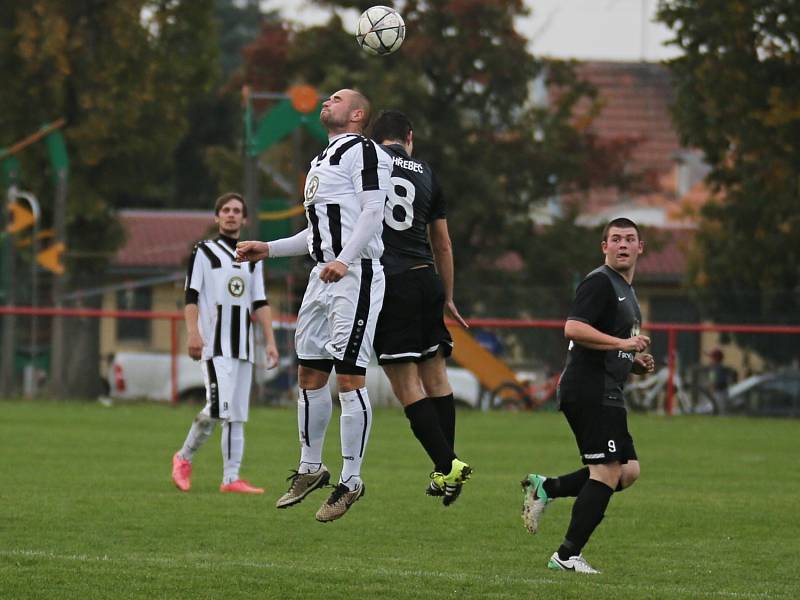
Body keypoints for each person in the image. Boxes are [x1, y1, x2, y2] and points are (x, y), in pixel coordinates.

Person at [236, 89, 392, 522]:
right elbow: (315, 234)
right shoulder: (321, 161)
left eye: (337, 98)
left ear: (358, 113)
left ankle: (352, 479)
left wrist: (345, 260)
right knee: (308, 371)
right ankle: (310, 467)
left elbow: (373, 211)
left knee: (349, 377)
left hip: (354, 273)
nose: (327, 101)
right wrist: (268, 248)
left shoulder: (365, 151)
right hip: (323, 274)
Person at [521, 217, 654, 574]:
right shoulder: (600, 283)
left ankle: (546, 487)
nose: (623, 244)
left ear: (641, 247)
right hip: (589, 390)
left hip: (608, 391)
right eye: (616, 239)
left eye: (630, 239)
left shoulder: (627, 291)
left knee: (628, 471)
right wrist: (624, 343)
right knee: (607, 472)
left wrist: (634, 361)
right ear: (605, 247)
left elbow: (609, 344)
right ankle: (566, 556)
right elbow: (574, 328)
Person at [370, 109, 472, 505]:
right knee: (436, 376)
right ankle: (447, 466)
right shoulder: (427, 173)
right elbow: (443, 243)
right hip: (426, 278)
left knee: (405, 384)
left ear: (375, 138)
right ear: (409, 137)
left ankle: (448, 464)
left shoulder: (367, 162)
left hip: (390, 281)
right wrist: (448, 295)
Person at [171, 192, 279, 494]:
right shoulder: (203, 252)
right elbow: (191, 295)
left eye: (237, 211)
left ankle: (231, 479)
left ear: (244, 219)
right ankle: (183, 457)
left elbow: (260, 301)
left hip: (243, 347)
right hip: (214, 345)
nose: (231, 215)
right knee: (219, 408)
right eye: (226, 210)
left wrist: (270, 342)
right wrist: (193, 333)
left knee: (237, 415)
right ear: (217, 217)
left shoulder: (252, 257)